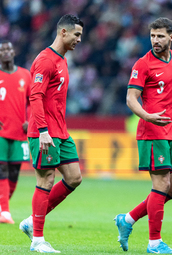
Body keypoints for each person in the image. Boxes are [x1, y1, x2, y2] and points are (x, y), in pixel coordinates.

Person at [114, 17, 172, 254]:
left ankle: (128, 219)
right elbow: (131, 98)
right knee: (161, 184)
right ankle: (154, 244)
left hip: (170, 131)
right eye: (152, 36)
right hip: (151, 132)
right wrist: (148, 116)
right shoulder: (143, 64)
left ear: (171, 37)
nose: (155, 40)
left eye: (160, 36)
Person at [18, 14, 83, 253]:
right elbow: (35, 96)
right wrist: (43, 131)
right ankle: (37, 240)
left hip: (61, 132)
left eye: (81, 36)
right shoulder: (45, 60)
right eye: (76, 34)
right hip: (44, 131)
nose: (79, 40)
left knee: (74, 177)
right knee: (45, 179)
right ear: (63, 32)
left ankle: (30, 221)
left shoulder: (62, 60)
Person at [0, 40, 31, 224]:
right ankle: (5, 211)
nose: (5, 52)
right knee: (2, 168)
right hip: (1, 132)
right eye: (2, 49)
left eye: (8, 49)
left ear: (14, 52)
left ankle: (3, 207)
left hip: (20, 131)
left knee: (14, 172)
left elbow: (33, 101)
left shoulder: (25, 75)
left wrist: (30, 119)